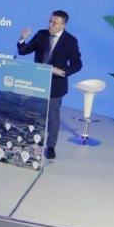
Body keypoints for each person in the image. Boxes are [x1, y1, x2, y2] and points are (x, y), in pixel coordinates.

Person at [17, 10, 83, 160]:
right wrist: (22, 38)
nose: (50, 25)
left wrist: (62, 72)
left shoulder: (71, 41)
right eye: (50, 21)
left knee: (53, 117)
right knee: (33, 114)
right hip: (36, 82)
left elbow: (77, 64)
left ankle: (51, 146)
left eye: (54, 23)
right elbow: (22, 51)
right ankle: (32, 142)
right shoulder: (41, 34)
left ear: (63, 25)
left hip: (56, 85)